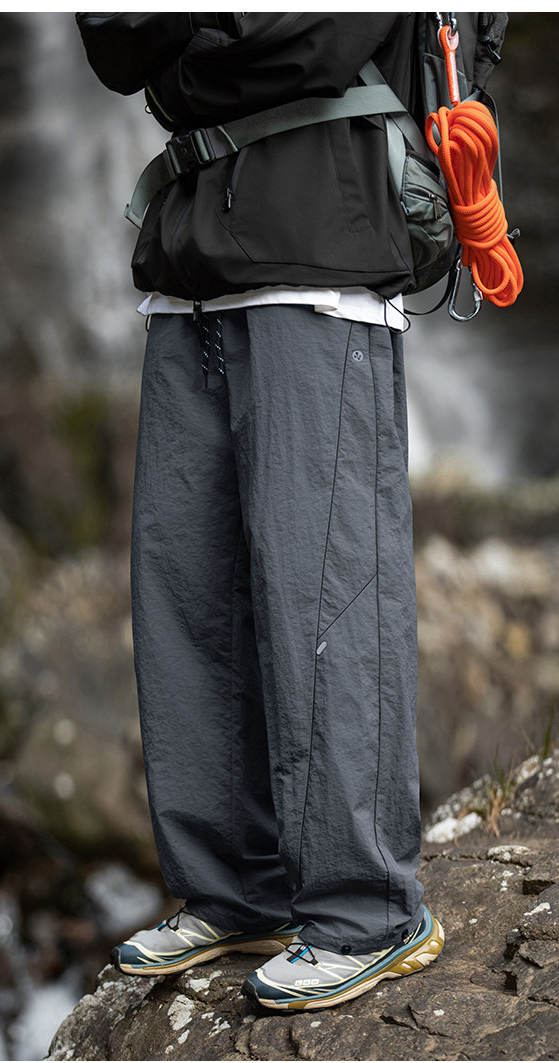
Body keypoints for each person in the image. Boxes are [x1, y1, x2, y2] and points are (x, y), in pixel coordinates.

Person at [75, 11, 444, 1012]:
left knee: (326, 598)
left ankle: (370, 911)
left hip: (320, 255)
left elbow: (314, 39)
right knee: (187, 599)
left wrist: (185, 55)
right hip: (187, 269)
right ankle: (236, 892)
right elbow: (112, 41)